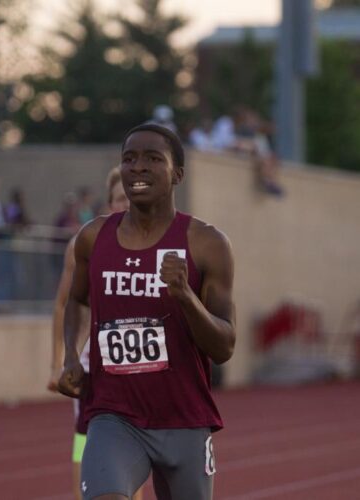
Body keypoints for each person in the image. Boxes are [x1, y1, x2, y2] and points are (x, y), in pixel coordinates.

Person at [58, 123, 236, 500]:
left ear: (177, 174)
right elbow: (75, 299)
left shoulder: (207, 244)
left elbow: (224, 347)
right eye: (129, 159)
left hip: (184, 418)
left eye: (153, 159)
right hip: (114, 416)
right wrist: (71, 356)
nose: (137, 167)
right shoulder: (93, 237)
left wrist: (185, 296)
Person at [48, 167, 143, 500]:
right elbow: (62, 306)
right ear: (109, 202)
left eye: (130, 198)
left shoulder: (151, 244)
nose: (126, 205)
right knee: (84, 443)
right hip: (94, 364)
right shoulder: (85, 243)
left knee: (136, 446)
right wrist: (57, 362)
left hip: (139, 365)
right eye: (120, 199)